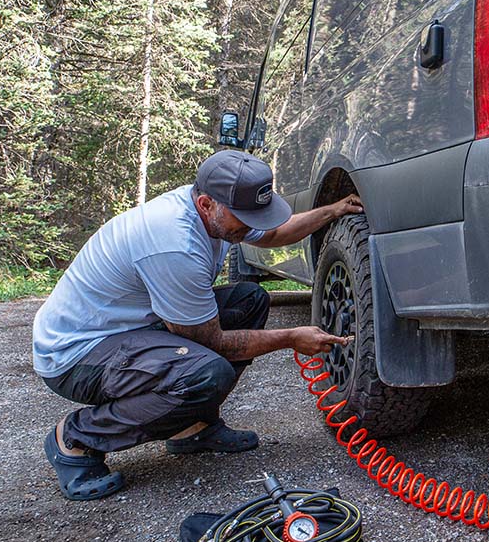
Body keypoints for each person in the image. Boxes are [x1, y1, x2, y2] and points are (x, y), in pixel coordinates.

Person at [33, 150, 362, 500]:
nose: (256, 223)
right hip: (76, 356)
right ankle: (75, 438)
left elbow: (272, 234)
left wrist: (334, 209)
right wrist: (292, 338)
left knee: (249, 300)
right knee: (204, 374)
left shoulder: (215, 210)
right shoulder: (174, 243)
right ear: (207, 204)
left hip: (129, 330)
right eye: (247, 216)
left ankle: (191, 428)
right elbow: (213, 341)